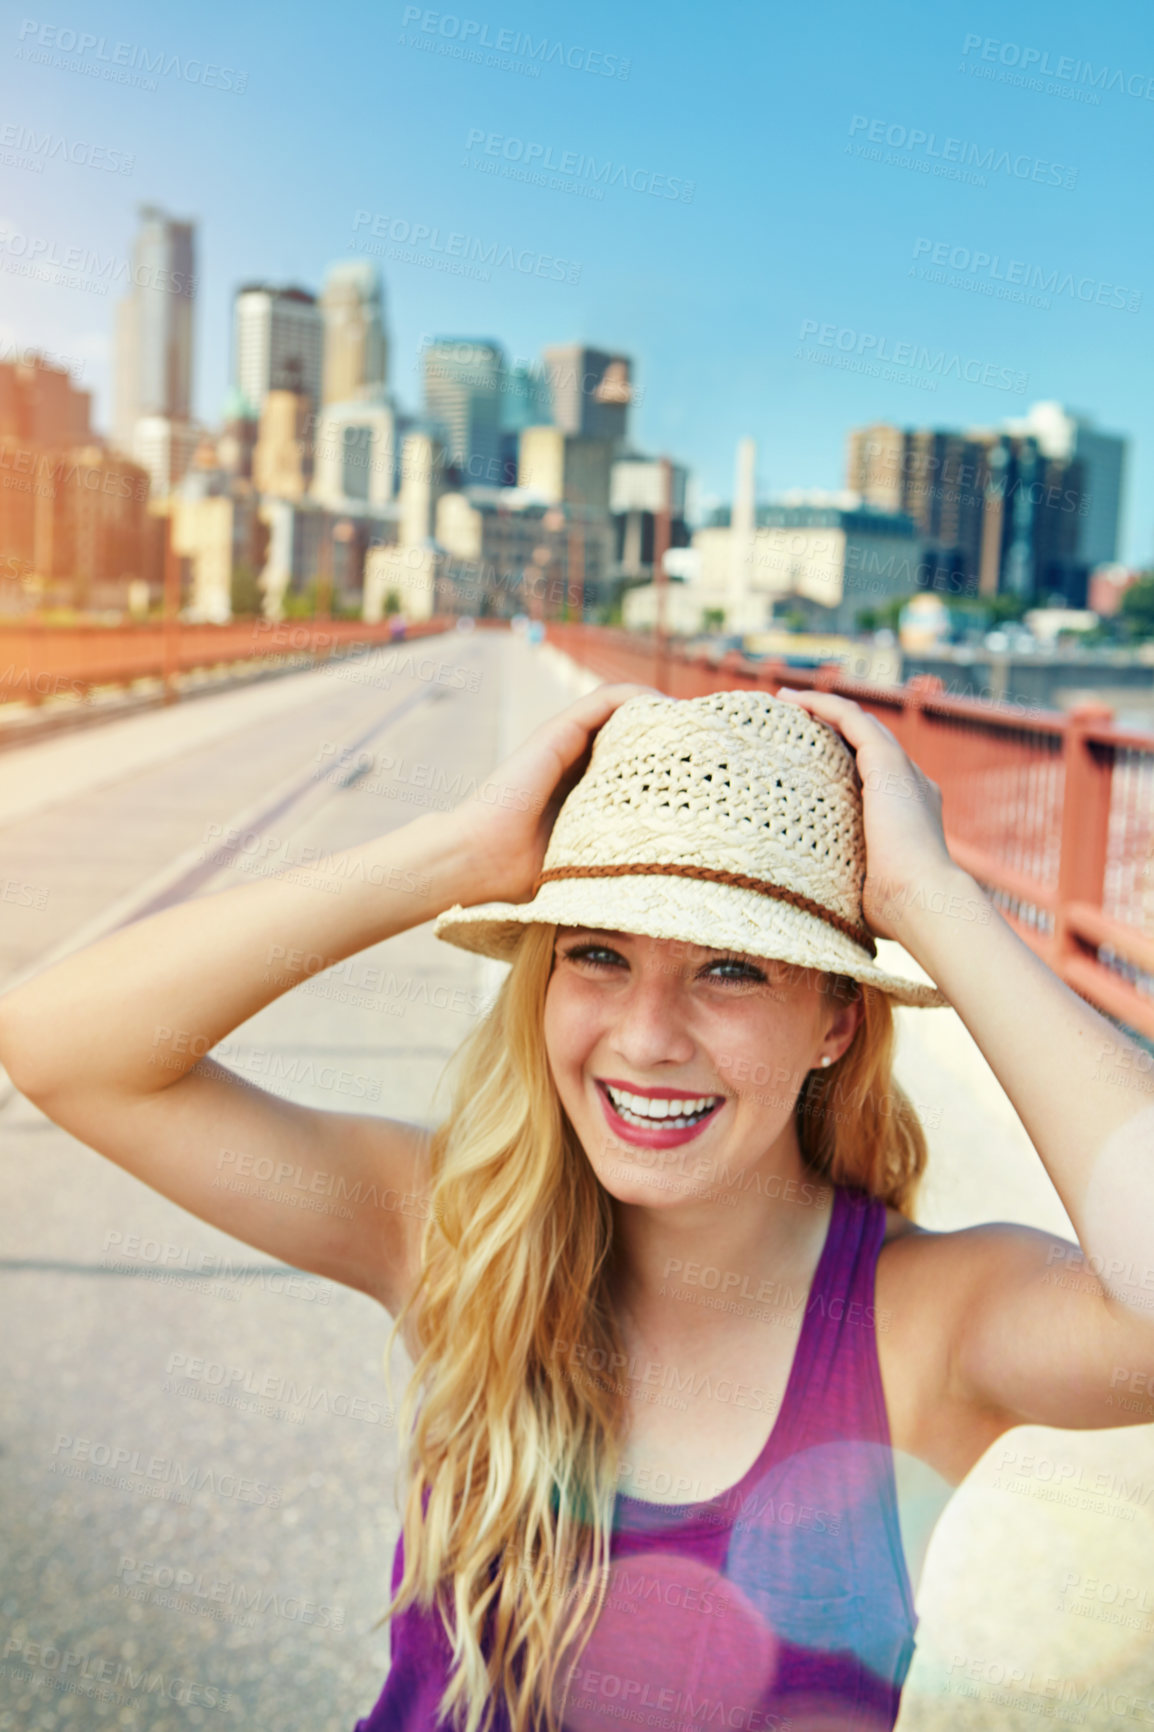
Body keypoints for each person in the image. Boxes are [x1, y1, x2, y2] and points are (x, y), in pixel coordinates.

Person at [1, 682, 1152, 1732]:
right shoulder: (455, 1231)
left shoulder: (926, 1323)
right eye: (597, 953)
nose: (645, 1038)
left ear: (835, 1024)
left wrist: (932, 901)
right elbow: (65, 1047)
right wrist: (449, 852)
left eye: (731, 968)